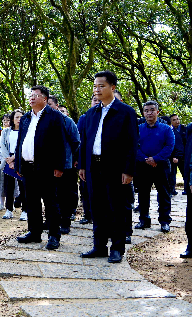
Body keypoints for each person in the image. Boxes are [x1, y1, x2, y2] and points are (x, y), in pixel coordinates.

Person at [79, 71, 138, 264]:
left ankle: (117, 248)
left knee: (117, 208)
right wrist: (82, 166)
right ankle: (99, 246)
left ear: (112, 87)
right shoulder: (91, 113)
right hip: (93, 167)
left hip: (115, 168)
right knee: (97, 207)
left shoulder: (125, 112)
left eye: (101, 86)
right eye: (95, 86)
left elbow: (131, 143)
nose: (97, 90)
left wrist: (128, 170)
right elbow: (85, 141)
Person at [14, 85, 66, 250]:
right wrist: (18, 163)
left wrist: (59, 166)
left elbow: (60, 143)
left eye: (36, 95)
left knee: (50, 202)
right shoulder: (25, 118)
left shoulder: (54, 117)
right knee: (31, 202)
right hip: (28, 167)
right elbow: (20, 142)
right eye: (31, 95)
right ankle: (34, 233)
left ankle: (53, 236)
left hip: (47, 167)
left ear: (45, 99)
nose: (32, 98)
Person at [134, 101, 175, 233]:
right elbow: (134, 146)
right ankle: (144, 219)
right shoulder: (139, 129)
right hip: (143, 165)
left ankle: (164, 221)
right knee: (143, 193)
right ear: (143, 113)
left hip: (161, 165)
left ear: (157, 112)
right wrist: (145, 159)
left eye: (152, 110)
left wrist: (155, 158)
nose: (149, 113)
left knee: (163, 193)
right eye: (146, 110)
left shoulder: (166, 129)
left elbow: (169, 146)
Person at [48, 96, 80, 234]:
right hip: (46, 165)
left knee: (64, 195)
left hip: (66, 164)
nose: (47, 107)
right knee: (50, 195)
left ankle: (65, 222)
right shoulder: (41, 120)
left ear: (56, 105)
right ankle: (50, 220)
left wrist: (75, 159)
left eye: (50, 104)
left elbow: (76, 142)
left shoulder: (67, 121)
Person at [76, 95, 100, 225]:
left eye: (99, 100)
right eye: (94, 100)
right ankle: (87, 214)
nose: (97, 102)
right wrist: (81, 164)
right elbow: (80, 141)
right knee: (85, 190)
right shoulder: (85, 118)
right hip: (87, 161)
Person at [0, 109, 23, 220]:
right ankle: (9, 209)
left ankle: (25, 211)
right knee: (9, 186)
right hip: (8, 160)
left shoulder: (25, 130)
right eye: (16, 117)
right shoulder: (6, 131)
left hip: (21, 160)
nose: (19, 119)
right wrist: (9, 159)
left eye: (21, 117)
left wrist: (15, 158)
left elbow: (25, 146)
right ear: (13, 119)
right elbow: (2, 146)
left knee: (23, 186)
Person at [169, 114, 186, 196]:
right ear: (171, 122)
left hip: (183, 155)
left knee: (185, 173)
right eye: (174, 120)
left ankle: (187, 189)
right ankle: (172, 190)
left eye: (178, 119)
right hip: (172, 156)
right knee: (172, 173)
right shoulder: (170, 130)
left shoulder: (184, 129)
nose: (177, 121)